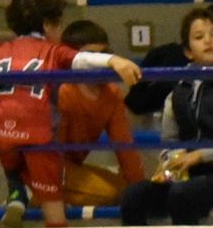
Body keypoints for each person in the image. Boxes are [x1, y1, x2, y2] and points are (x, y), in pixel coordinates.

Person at [0, 0, 140, 228]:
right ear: (48, 24)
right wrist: (114, 60)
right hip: (39, 140)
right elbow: (81, 59)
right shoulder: (52, 52)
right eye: (59, 24)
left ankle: (17, 194)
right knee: (55, 215)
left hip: (3, 136)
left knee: (12, 157)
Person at [119, 6, 213, 226]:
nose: (208, 41)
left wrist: (200, 155)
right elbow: (170, 141)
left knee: (183, 196)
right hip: (185, 178)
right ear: (188, 51)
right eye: (199, 37)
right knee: (133, 196)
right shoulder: (179, 90)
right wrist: (172, 163)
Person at [56, 20, 146, 208]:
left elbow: (124, 145)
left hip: (72, 168)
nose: (98, 63)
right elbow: (52, 154)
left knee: (129, 190)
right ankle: (39, 200)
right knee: (114, 192)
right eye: (90, 57)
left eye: (103, 55)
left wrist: (140, 188)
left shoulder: (111, 92)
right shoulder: (62, 91)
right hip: (50, 167)